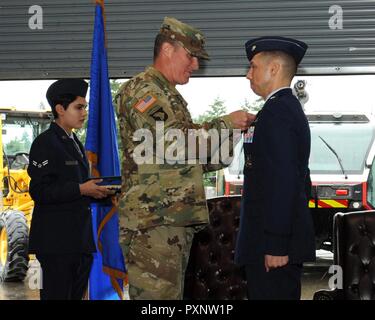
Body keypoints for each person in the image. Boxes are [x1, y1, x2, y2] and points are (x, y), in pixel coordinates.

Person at [116, 16, 254, 300]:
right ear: (168, 49)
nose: (196, 65)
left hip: (169, 219)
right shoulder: (144, 91)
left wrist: (234, 136)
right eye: (191, 56)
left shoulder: (169, 96)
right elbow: (174, 143)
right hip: (153, 221)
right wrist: (225, 124)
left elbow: (190, 160)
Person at [235, 36, 316, 300]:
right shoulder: (279, 109)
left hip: (271, 247)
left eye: (253, 67)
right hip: (271, 242)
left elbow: (284, 182)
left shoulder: (277, 113)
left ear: (274, 69)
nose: (248, 75)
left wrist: (277, 243)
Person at [28, 79, 111, 300]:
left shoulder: (73, 141)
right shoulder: (45, 143)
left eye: (84, 107)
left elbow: (76, 186)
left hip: (78, 241)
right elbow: (39, 191)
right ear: (60, 109)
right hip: (57, 243)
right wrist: (81, 189)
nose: (84, 112)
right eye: (79, 107)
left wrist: (98, 189)